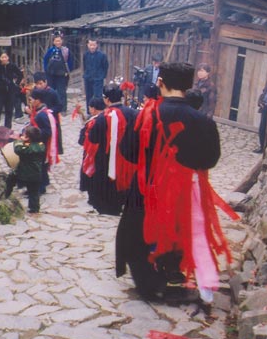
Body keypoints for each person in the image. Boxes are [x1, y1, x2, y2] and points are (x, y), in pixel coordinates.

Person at [116, 62, 236, 306]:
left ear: (160, 83)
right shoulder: (203, 122)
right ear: (189, 86)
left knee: (138, 233)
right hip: (182, 190)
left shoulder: (146, 116)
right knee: (179, 232)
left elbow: (127, 151)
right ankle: (173, 277)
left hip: (145, 187)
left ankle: (149, 286)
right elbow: (210, 159)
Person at [84, 83, 138, 215]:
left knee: (108, 181)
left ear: (106, 99)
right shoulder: (133, 114)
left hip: (105, 157)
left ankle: (109, 207)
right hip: (129, 155)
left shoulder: (102, 118)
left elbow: (93, 138)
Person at [5, 126, 45, 213]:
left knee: (10, 180)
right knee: (34, 193)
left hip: (24, 173)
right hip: (36, 174)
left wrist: (18, 140)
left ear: (28, 138)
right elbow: (30, 145)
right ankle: (34, 209)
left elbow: (18, 149)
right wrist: (25, 140)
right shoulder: (41, 146)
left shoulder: (26, 148)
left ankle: (5, 195)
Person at [28, 88, 59, 193]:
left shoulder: (42, 115)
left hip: (41, 144)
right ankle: (42, 185)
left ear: (38, 100)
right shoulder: (39, 112)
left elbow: (47, 131)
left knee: (39, 166)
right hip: (39, 143)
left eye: (31, 99)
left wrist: (33, 133)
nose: (30, 102)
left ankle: (39, 189)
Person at [78, 96, 106, 209]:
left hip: (92, 151)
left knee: (91, 174)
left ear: (93, 109)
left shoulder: (93, 122)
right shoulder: (106, 117)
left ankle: (93, 198)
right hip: (104, 151)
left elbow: (84, 139)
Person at [32, 72, 63, 154]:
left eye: (40, 83)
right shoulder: (35, 92)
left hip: (52, 118)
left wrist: (51, 111)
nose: (38, 86)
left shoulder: (52, 92)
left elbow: (59, 106)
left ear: (45, 82)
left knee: (53, 137)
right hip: (39, 119)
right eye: (36, 84)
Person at [43, 32, 73, 114]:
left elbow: (70, 62)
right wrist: (46, 70)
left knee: (62, 92)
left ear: (62, 41)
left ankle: (63, 109)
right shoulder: (50, 51)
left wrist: (68, 71)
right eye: (56, 41)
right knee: (51, 91)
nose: (58, 43)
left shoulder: (65, 51)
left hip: (61, 75)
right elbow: (45, 60)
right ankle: (51, 107)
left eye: (59, 41)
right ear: (53, 42)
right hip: (51, 75)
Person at [83, 38, 109, 114]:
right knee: (88, 96)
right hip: (88, 77)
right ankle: (89, 112)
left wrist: (102, 76)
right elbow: (85, 65)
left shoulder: (102, 55)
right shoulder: (85, 54)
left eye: (94, 45)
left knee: (98, 96)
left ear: (96, 45)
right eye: (90, 45)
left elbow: (105, 66)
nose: (92, 47)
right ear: (87, 45)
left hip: (98, 78)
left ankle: (99, 111)